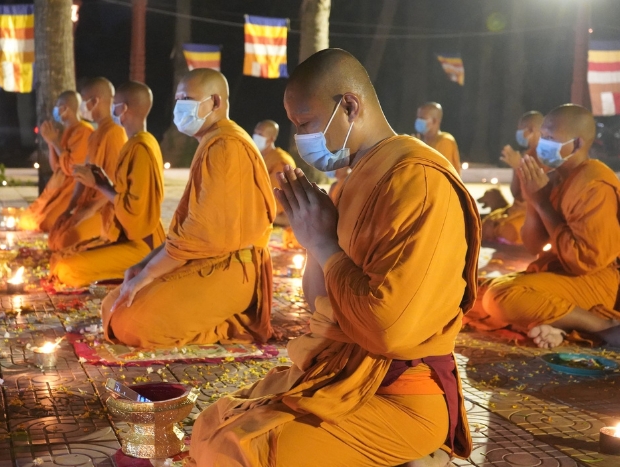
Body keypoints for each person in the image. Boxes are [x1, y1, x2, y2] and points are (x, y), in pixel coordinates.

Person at [188, 49, 479, 467]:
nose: (299, 138)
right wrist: (312, 240)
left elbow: (388, 331)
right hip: (340, 372)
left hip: (400, 395)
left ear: (349, 105)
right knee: (212, 425)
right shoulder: (350, 181)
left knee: (236, 454)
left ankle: (424, 452)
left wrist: (326, 245)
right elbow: (319, 302)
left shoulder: (420, 181)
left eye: (304, 122)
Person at [100, 68, 275, 348]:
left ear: (216, 102)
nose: (180, 105)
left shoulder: (226, 146)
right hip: (205, 258)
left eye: (188, 98)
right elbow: (188, 230)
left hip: (232, 267)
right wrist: (145, 265)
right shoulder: (212, 142)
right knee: (113, 305)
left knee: (129, 323)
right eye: (178, 98)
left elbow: (199, 235)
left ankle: (231, 325)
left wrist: (150, 273)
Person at [482, 104, 620, 349]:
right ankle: (561, 326)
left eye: (548, 138)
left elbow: (586, 261)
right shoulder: (556, 175)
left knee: (501, 297)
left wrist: (543, 203)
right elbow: (535, 245)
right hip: (561, 272)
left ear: (576, 144)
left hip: (597, 280)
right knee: (478, 291)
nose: (541, 144)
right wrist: (534, 199)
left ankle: (603, 325)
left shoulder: (593, 183)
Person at [50, 81, 166, 287]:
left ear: (124, 109)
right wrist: (101, 181)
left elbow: (133, 210)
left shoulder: (141, 147)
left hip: (142, 243)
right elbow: (121, 191)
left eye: (116, 105)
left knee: (65, 269)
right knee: (60, 256)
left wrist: (99, 186)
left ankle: (135, 274)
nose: (112, 109)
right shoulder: (134, 143)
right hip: (122, 234)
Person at [48, 77, 128, 251]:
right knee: (54, 236)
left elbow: (116, 183)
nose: (81, 107)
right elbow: (81, 175)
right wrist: (70, 208)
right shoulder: (94, 135)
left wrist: (89, 210)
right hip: (87, 203)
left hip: (104, 207)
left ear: (94, 102)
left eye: (84, 102)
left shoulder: (115, 133)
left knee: (65, 243)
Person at [19, 91, 93, 231]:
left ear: (65, 108)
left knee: (46, 223)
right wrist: (51, 143)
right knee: (26, 219)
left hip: (73, 190)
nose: (56, 111)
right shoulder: (68, 131)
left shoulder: (84, 131)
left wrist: (55, 142)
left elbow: (72, 168)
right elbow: (57, 168)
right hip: (60, 187)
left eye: (58, 107)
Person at [481, 111, 543, 245]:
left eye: (521, 131)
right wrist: (516, 168)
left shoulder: (546, 157)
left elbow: (538, 194)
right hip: (519, 210)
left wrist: (520, 166)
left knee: (508, 231)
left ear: (531, 130)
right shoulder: (526, 154)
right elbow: (515, 193)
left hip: (534, 213)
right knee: (486, 224)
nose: (519, 135)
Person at [253, 119, 296, 226]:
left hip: (277, 218)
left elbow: (273, 197)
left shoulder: (280, 160)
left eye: (260, 134)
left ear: (271, 139)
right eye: (255, 133)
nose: (255, 137)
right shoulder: (256, 158)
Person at [415, 102, 461, 174]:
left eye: (422, 118)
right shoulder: (422, 142)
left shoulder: (445, 141)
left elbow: (438, 171)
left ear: (434, 121)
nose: (418, 121)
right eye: (417, 117)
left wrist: (417, 151)